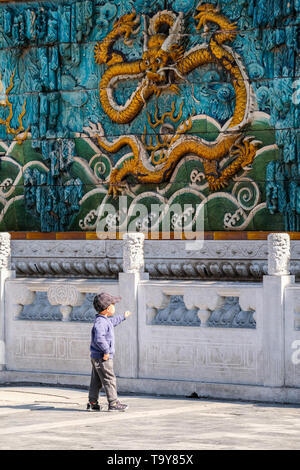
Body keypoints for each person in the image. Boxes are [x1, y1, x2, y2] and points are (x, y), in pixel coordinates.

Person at [87, 292, 131, 412]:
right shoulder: (101, 323)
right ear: (107, 309)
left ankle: (92, 402)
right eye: (113, 304)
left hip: (97, 356)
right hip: (103, 357)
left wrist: (123, 317)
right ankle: (113, 403)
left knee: (96, 380)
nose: (114, 306)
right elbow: (99, 338)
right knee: (109, 379)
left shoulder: (104, 320)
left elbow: (112, 322)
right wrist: (106, 351)